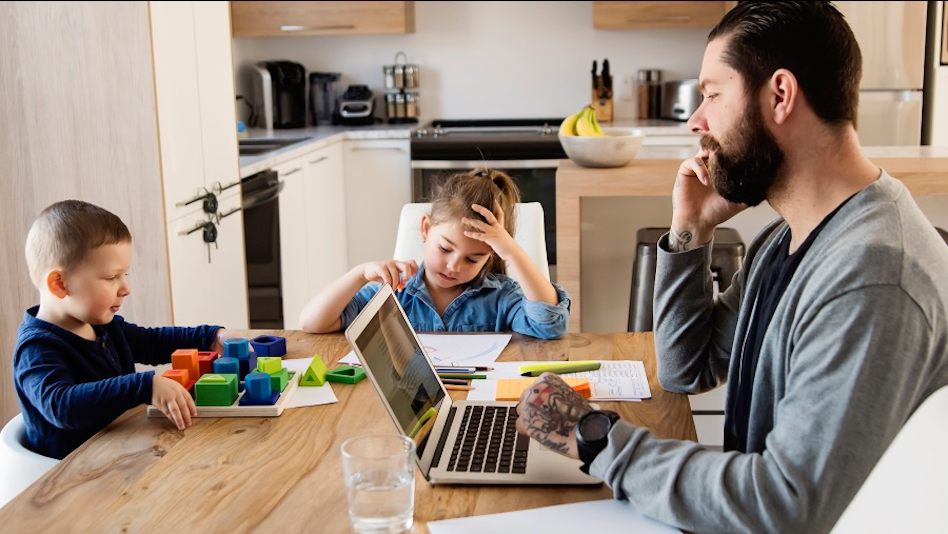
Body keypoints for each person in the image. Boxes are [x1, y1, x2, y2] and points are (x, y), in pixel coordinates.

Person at [516, 2, 948, 532]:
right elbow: (686, 368)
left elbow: (785, 506)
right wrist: (691, 231)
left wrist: (597, 437)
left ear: (780, 96)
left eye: (712, 94)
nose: (696, 121)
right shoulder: (789, 237)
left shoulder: (873, 278)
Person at [13, 200, 236, 460]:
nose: (125, 288)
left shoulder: (102, 325)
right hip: (72, 479)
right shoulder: (36, 349)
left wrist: (210, 336)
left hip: (119, 455)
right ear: (59, 284)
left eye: (124, 276)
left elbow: (151, 342)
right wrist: (144, 385)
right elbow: (63, 406)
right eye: (111, 277)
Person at [299, 168, 569, 339]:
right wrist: (359, 275)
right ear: (426, 228)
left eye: (473, 258)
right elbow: (313, 323)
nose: (453, 266)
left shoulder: (501, 297)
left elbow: (549, 325)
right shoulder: (394, 292)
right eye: (445, 248)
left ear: (490, 255)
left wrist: (511, 251)